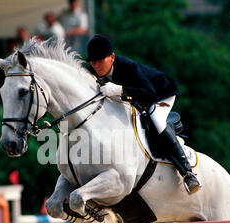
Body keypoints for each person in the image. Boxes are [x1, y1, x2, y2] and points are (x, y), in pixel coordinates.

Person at [85, 34, 201, 194]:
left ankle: (188, 173)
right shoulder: (90, 70)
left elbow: (149, 94)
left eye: (100, 60)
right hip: (137, 99)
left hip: (160, 94)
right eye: (93, 61)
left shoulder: (128, 67)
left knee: (156, 120)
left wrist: (120, 90)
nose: (96, 65)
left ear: (112, 57)